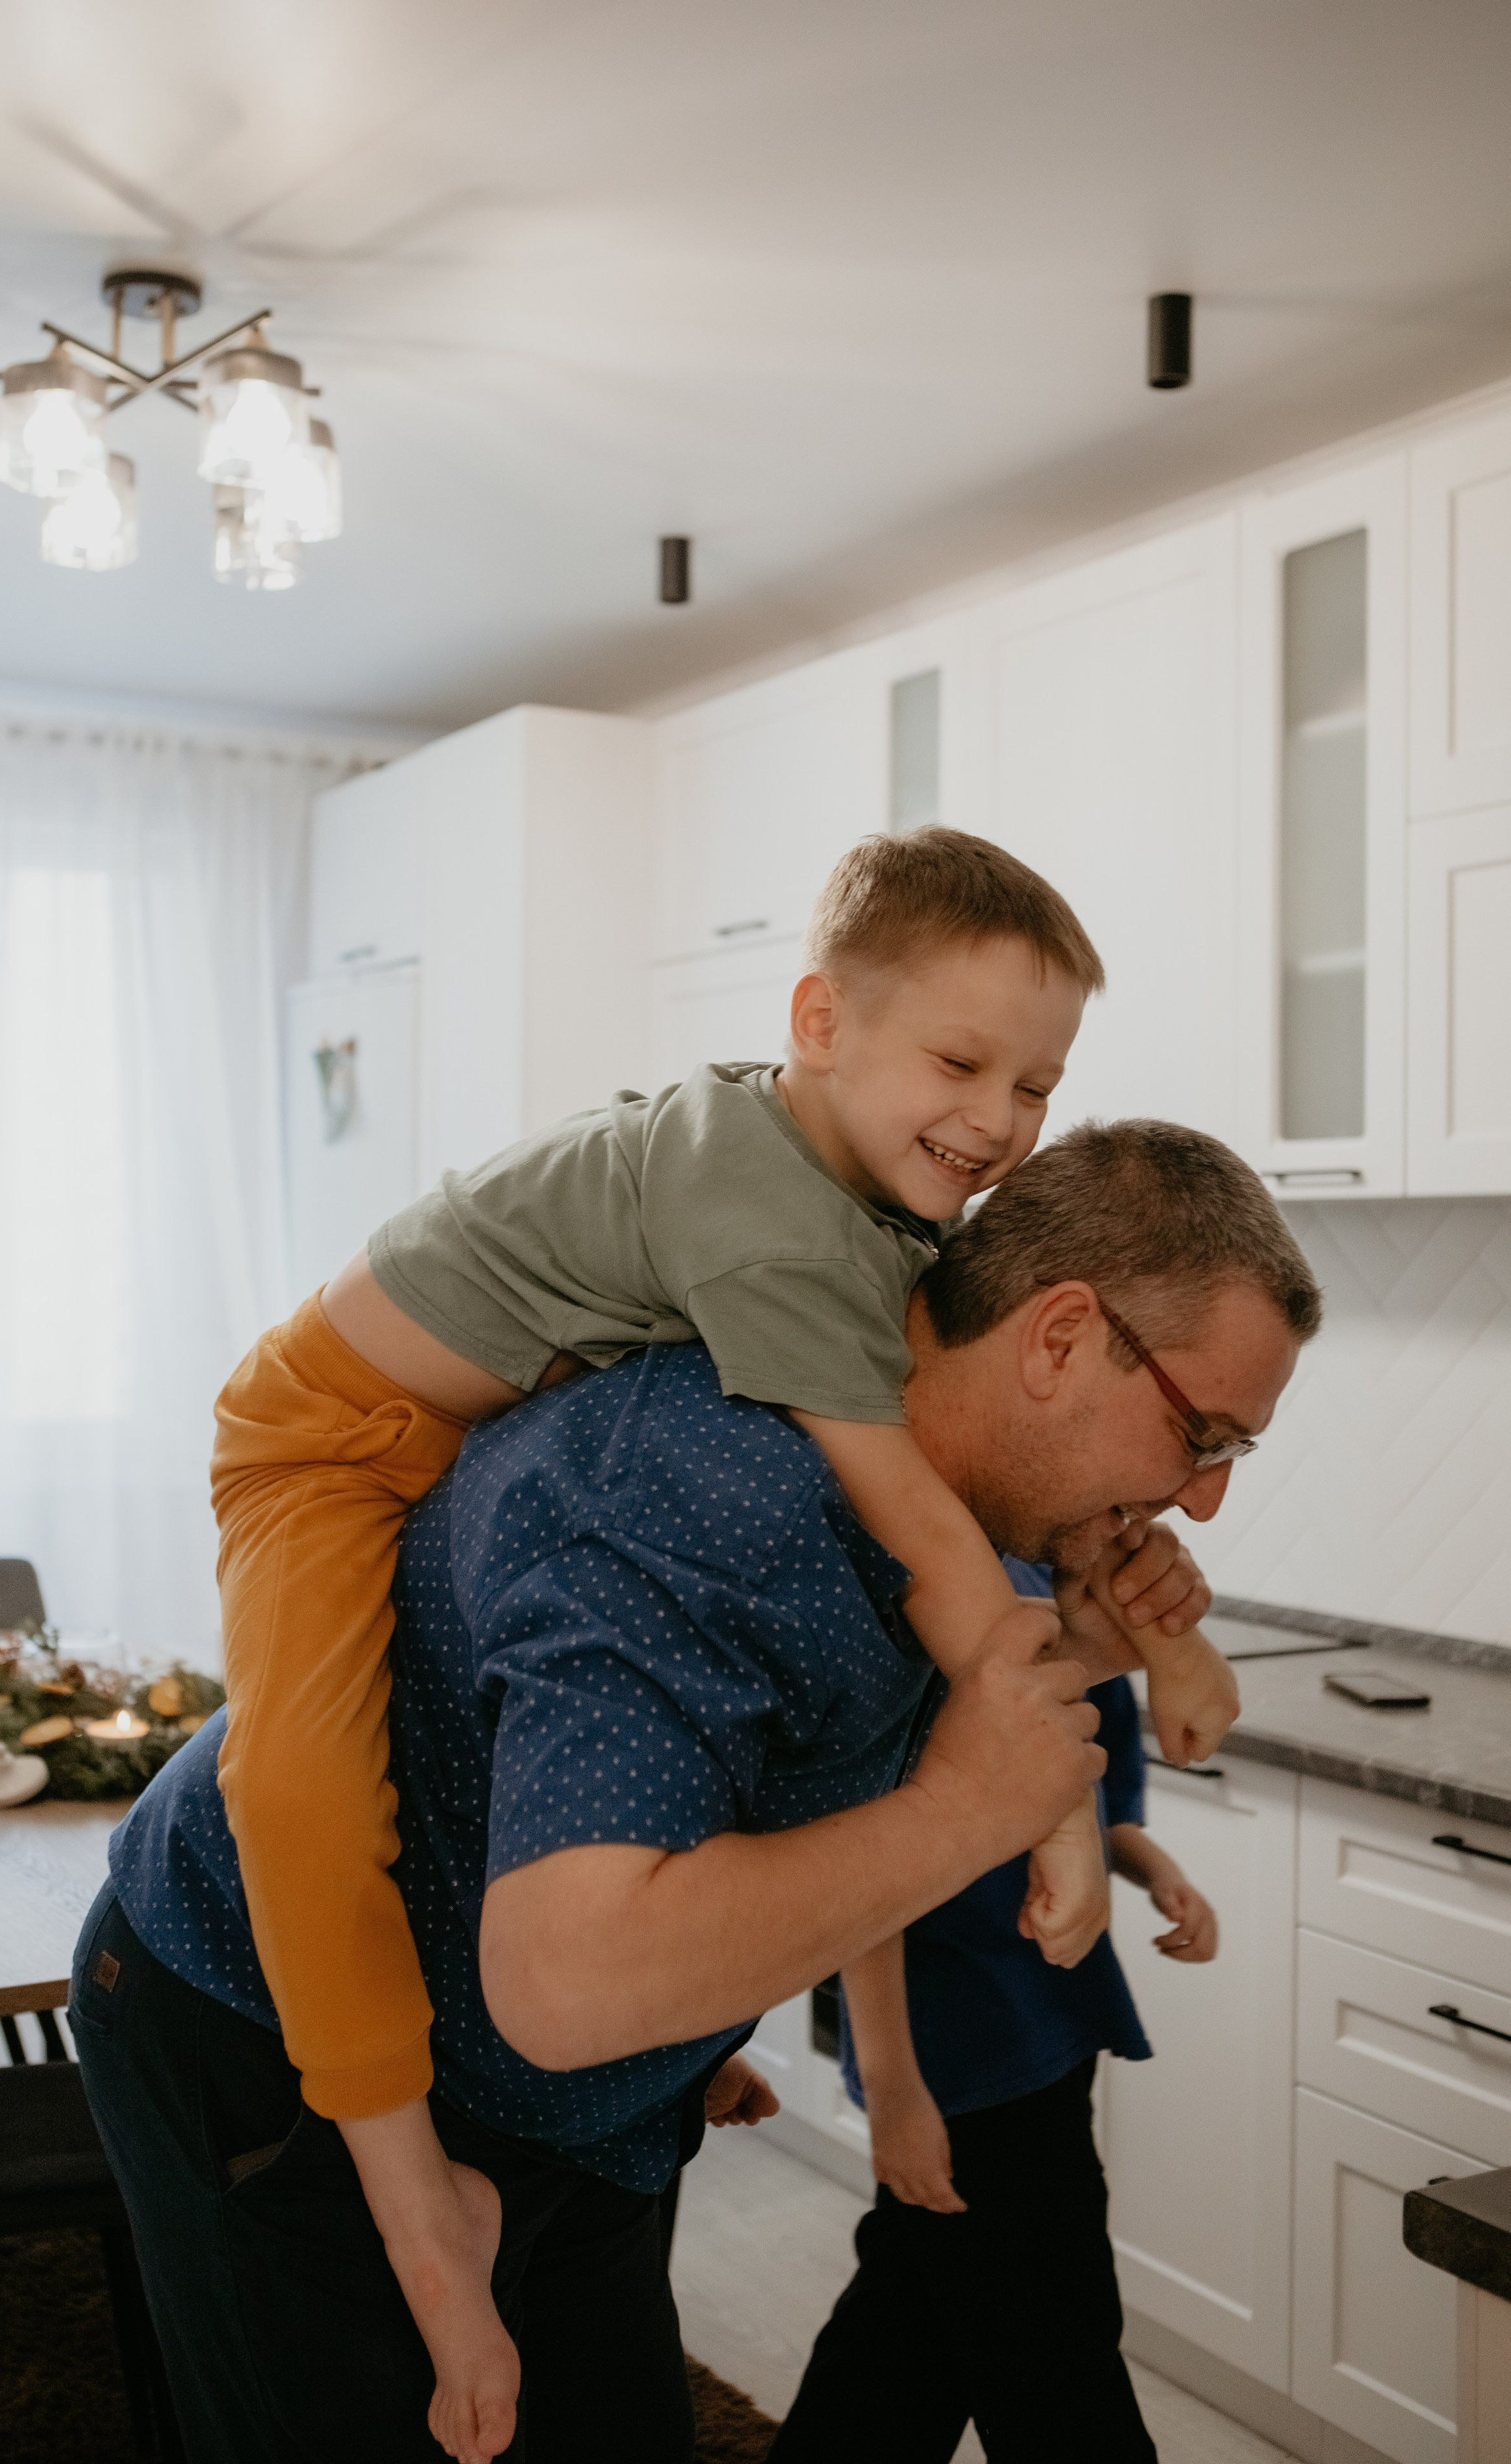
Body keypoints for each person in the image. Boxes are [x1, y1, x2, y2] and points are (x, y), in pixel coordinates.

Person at [69, 1116, 1317, 2464]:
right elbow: (567, 1982)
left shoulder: (964, 1502)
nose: (1202, 1499)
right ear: (1059, 1336)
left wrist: (1074, 1657)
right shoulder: (694, 1491)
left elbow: (793, 1750)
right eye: (1201, 1434)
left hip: (576, 2095)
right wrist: (962, 1811)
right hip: (260, 2014)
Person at [208, 832, 1239, 2456]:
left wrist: (1130, 1658)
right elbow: (926, 1546)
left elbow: (870, 1649)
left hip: (467, 1448)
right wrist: (1033, 1805)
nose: (996, 1119)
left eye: (1035, 1086)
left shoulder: (881, 1231)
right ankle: (416, 2210)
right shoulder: (769, 1269)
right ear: (817, 1022)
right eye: (961, 1064)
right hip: (322, 1437)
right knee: (297, 1796)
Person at [768, 1558, 1220, 2464]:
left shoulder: (1071, 1603)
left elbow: (1095, 1803)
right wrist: (893, 2086)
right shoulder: (940, 1608)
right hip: (959, 2056)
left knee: (910, 2335)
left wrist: (1155, 1870)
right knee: (1059, 2366)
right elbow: (866, 1879)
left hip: (1056, 2029)